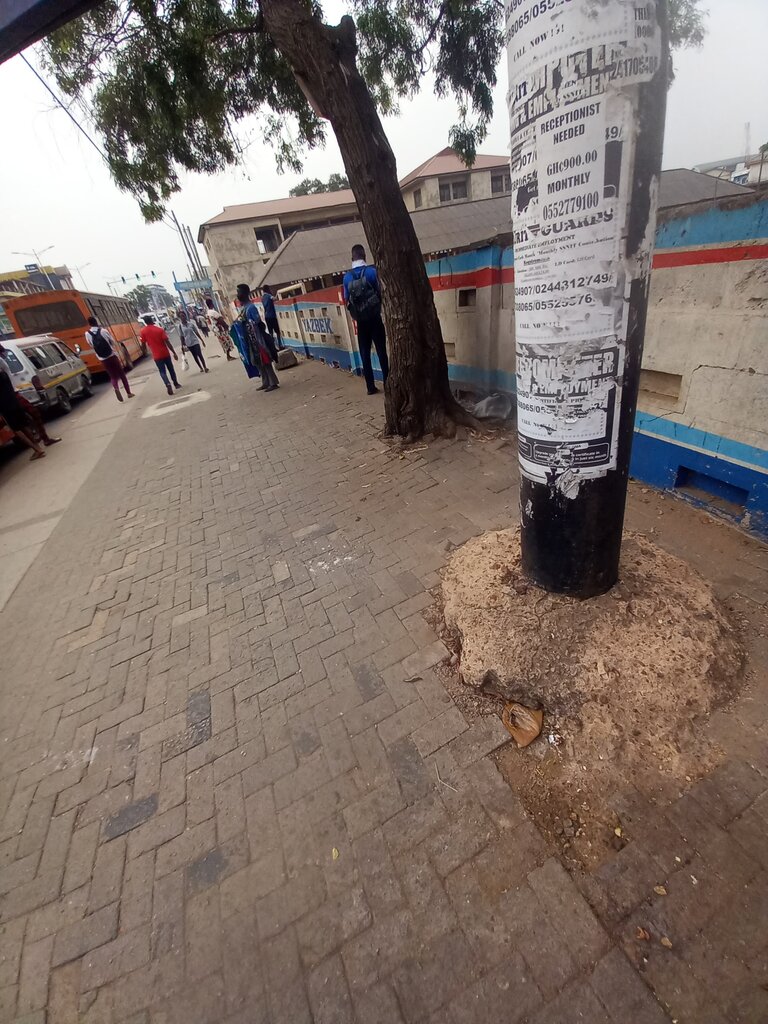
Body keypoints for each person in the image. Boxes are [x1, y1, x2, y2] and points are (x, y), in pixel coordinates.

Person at [343, 244, 389, 395]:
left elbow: (346, 300)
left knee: (364, 352)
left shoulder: (347, 277)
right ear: (365, 257)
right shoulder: (371, 272)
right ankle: (388, 383)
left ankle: (370, 387)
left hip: (361, 322)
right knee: (381, 350)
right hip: (375, 318)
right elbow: (380, 292)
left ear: (352, 258)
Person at [0, 344, 61, 446]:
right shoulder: (2, 361)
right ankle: (38, 442)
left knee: (30, 415)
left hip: (14, 392)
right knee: (24, 419)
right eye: (2, 352)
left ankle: (42, 439)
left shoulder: (3, 361)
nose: (4, 354)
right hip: (11, 394)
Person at [236, 283, 280, 392]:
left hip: (257, 339)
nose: (237, 294)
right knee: (258, 361)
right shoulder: (245, 308)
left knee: (264, 359)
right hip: (251, 340)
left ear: (245, 293)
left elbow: (257, 322)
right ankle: (265, 382)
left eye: (239, 292)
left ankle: (273, 382)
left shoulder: (250, 307)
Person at [0, 365, 47, 460]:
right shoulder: (4, 374)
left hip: (5, 407)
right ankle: (38, 447)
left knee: (17, 430)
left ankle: (37, 449)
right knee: (24, 426)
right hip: (14, 402)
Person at [84, 317, 135, 402]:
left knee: (113, 376)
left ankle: (116, 388)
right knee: (122, 375)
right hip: (112, 356)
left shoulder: (87, 334)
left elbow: (91, 344)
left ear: (89, 324)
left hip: (102, 358)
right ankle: (129, 393)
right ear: (97, 322)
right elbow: (112, 342)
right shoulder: (104, 331)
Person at [140, 315, 181, 396]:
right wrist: (174, 352)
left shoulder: (143, 331)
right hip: (165, 353)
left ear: (145, 322)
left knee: (162, 371)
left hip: (156, 355)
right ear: (152, 321)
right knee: (171, 369)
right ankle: (176, 384)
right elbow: (167, 342)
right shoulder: (160, 330)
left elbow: (143, 344)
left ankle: (167, 384)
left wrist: (144, 351)